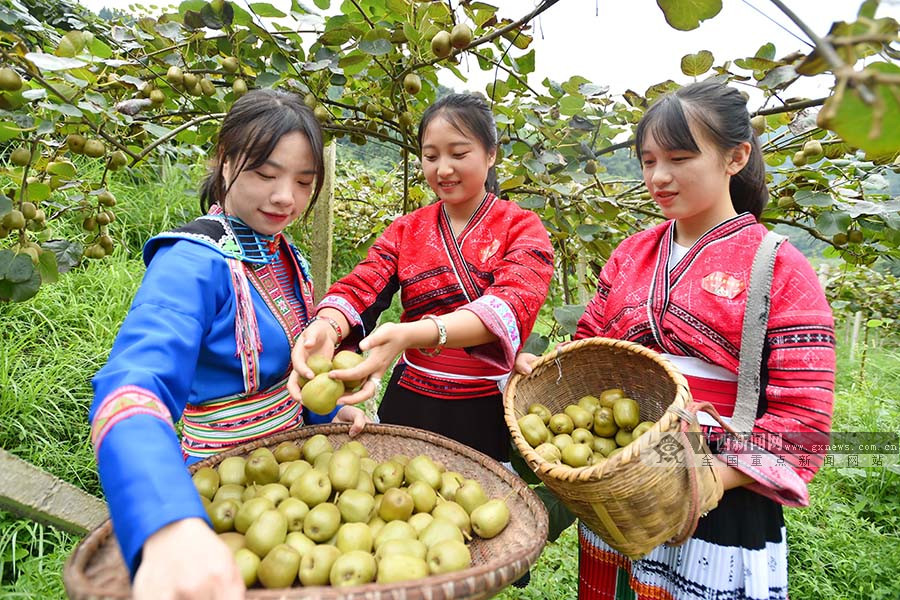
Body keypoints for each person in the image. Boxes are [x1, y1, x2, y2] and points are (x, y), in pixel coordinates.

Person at [517, 80, 835, 599]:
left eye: (679, 158)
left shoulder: (778, 267)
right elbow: (588, 351)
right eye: (647, 162)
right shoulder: (630, 255)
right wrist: (550, 372)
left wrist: (707, 476)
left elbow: (804, 423)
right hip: (621, 497)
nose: (658, 177)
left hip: (721, 504)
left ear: (736, 157)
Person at [89, 89, 367, 600]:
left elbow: (292, 372)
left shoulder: (287, 257)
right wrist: (166, 521)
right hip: (224, 484)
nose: (286, 196)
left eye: (304, 182)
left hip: (299, 481)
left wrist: (326, 415)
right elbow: (131, 388)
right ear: (223, 161)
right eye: (266, 174)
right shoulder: (191, 262)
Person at [288, 93, 554, 464]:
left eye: (458, 154)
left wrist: (412, 334)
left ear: (491, 154)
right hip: (411, 396)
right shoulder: (407, 230)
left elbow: (511, 304)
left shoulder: (522, 228)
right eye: (431, 157)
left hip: (484, 405)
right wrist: (328, 326)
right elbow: (364, 285)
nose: (443, 169)